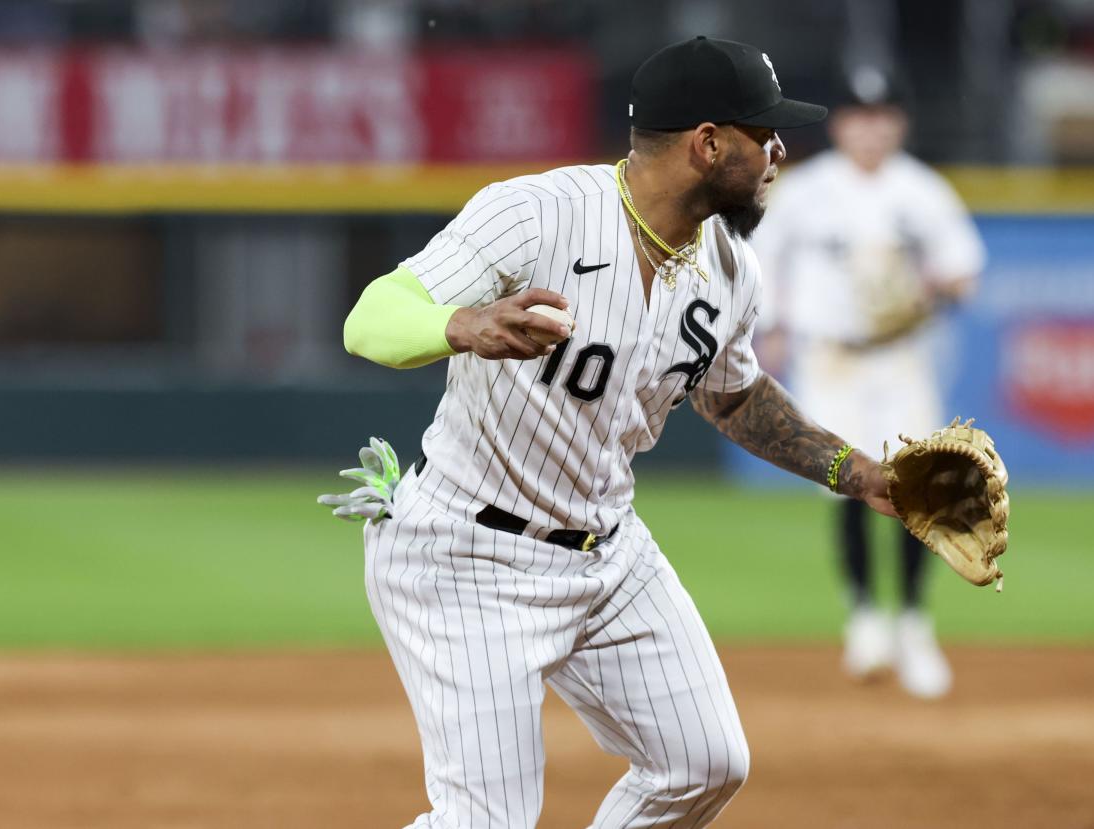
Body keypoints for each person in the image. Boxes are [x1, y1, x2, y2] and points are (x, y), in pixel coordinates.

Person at [324, 36, 899, 828]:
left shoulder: (730, 267)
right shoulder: (536, 215)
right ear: (706, 143)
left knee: (704, 764)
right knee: (484, 819)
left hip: (609, 550)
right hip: (465, 553)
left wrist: (859, 473)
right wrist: (464, 324)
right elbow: (370, 319)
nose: (778, 151)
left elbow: (734, 398)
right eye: (762, 132)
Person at [749, 65, 986, 699]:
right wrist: (771, 329)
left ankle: (912, 622)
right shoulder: (804, 192)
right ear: (842, 125)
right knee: (849, 483)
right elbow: (764, 263)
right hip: (830, 358)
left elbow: (964, 270)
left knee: (920, 484)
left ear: (899, 123)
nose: (870, 129)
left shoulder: (923, 192)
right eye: (858, 117)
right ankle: (864, 617)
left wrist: (937, 283)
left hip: (901, 357)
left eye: (882, 117)